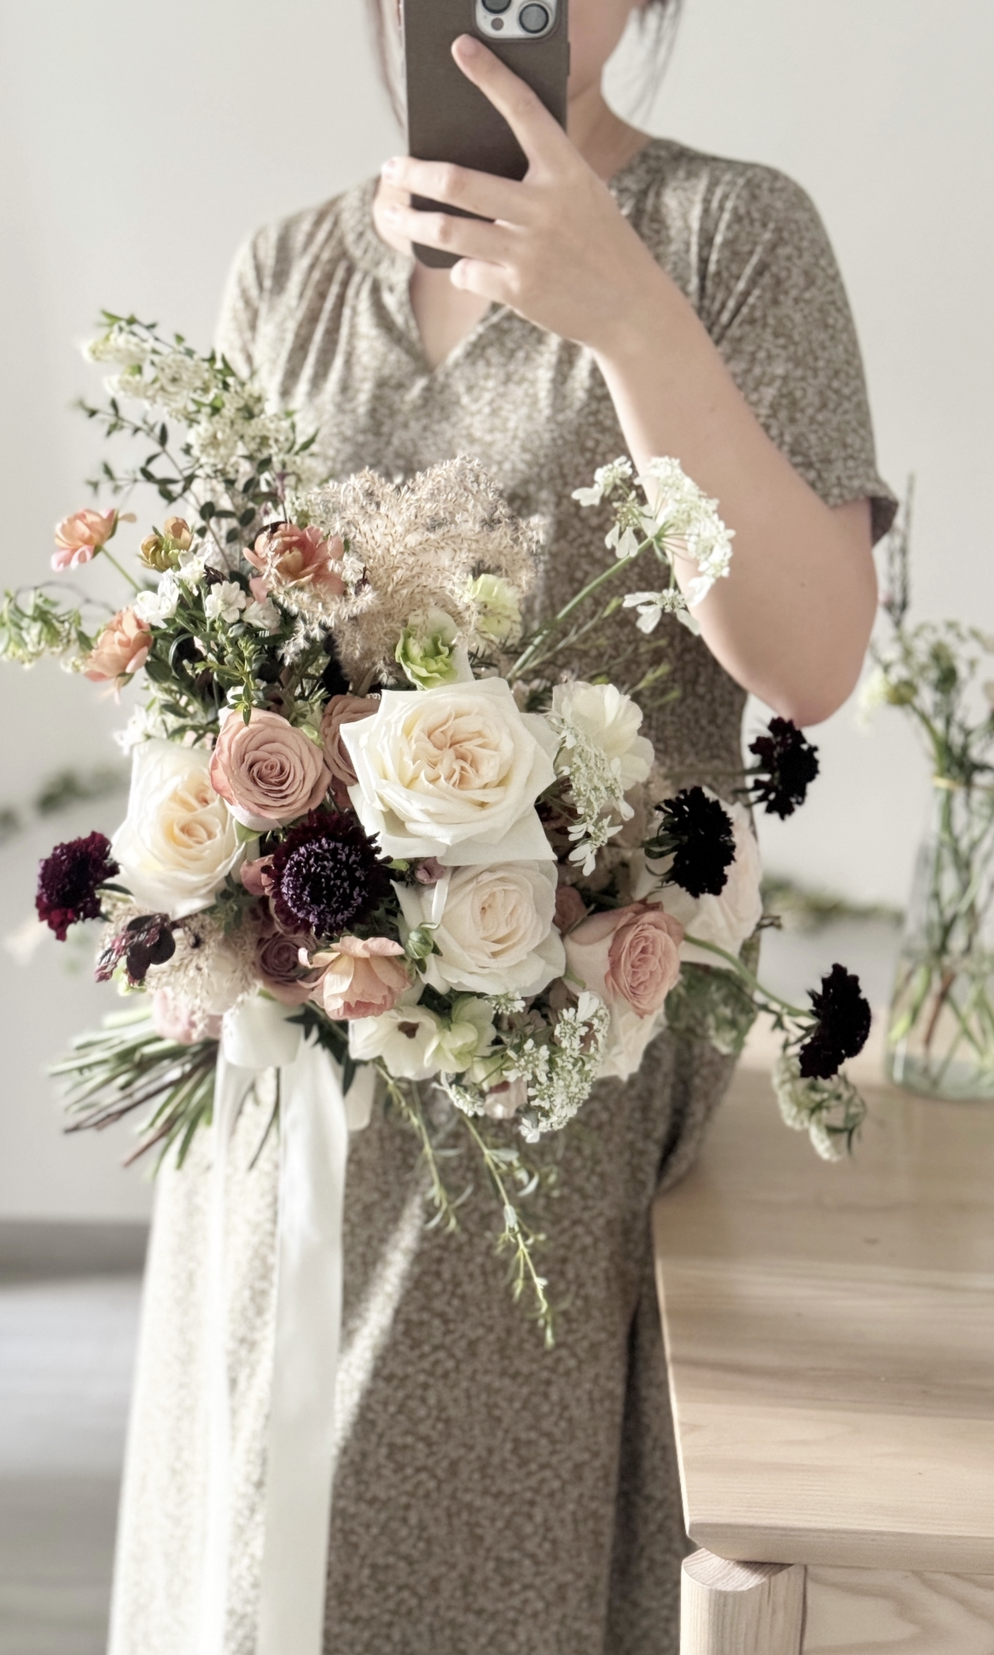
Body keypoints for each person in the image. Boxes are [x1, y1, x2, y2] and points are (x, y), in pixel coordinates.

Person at [108, 4, 895, 1652]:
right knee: (259, 1549)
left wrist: (628, 316)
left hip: (566, 1085)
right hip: (296, 1069)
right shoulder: (290, 273)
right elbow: (213, 666)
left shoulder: (731, 236)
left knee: (480, 1564)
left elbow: (810, 658)